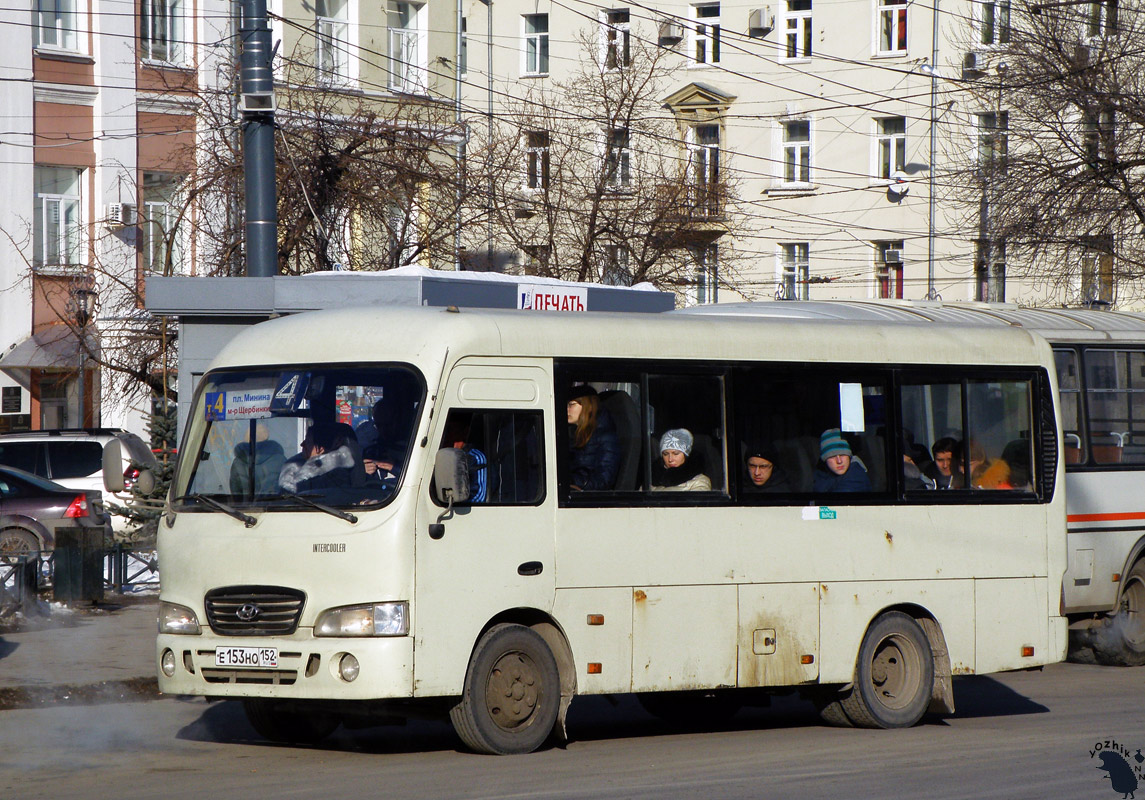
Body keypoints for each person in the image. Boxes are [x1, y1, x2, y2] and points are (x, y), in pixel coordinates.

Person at [279, 423, 361, 496]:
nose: (302, 444)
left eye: (307, 440)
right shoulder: (296, 466)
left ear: (321, 448)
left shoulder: (330, 478)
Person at [567, 385, 620, 491]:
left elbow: (604, 480)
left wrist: (571, 481)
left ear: (589, 406)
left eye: (571, 405)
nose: (567, 409)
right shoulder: (573, 434)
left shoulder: (606, 437)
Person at [230, 423, 286, 497]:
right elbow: (287, 490)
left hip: (244, 508)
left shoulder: (238, 462)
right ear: (266, 436)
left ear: (247, 438)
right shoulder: (281, 460)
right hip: (274, 507)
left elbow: (235, 494)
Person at [813, 428, 872, 492]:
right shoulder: (821, 473)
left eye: (843, 455)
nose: (839, 461)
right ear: (824, 459)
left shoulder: (856, 478)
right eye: (832, 456)